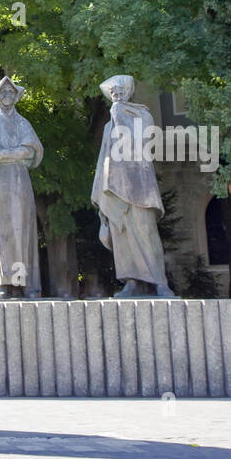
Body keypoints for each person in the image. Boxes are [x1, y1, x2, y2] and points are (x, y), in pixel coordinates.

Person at [91, 73, 174, 298]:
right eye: (113, 94)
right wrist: (99, 189)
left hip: (139, 184)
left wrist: (119, 117)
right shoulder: (109, 125)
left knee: (146, 231)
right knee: (122, 234)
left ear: (128, 93)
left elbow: (142, 143)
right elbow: (103, 157)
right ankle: (132, 281)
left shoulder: (142, 115)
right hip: (115, 186)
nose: (117, 97)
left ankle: (159, 281)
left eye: (121, 93)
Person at [0, 76, 43, 299]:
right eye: (3, 93)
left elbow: (30, 151)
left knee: (22, 229)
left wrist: (3, 154)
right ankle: (2, 284)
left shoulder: (23, 123)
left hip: (20, 180)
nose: (7, 96)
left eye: (11, 93)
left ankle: (27, 284)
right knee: (1, 230)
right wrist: (12, 153)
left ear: (16, 96)